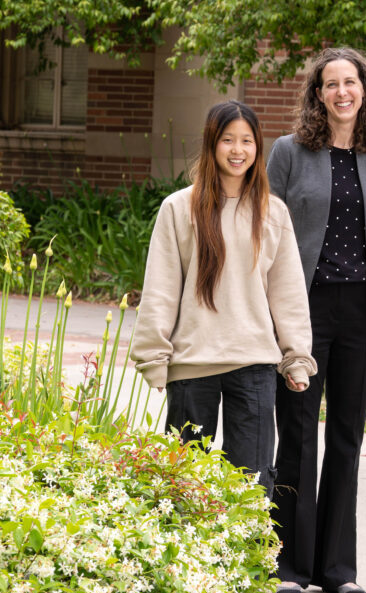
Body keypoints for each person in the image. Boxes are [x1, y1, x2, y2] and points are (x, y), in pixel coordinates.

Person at [267, 46, 366, 593]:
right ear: (317, 94)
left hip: (361, 312)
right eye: (331, 84)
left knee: (347, 436)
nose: (343, 92)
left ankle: (337, 567)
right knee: (298, 432)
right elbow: (265, 232)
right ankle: (290, 565)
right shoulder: (288, 152)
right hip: (303, 309)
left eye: (352, 83)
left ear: (365, 91)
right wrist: (270, 316)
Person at [132, 100, 316, 504]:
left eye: (247, 141)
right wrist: (154, 356)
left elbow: (287, 292)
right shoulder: (179, 208)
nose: (238, 150)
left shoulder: (272, 213)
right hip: (192, 366)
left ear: (257, 148)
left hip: (253, 366)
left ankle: (246, 566)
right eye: (228, 140)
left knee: (250, 487)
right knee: (181, 485)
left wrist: (296, 356)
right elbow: (161, 287)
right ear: (212, 144)